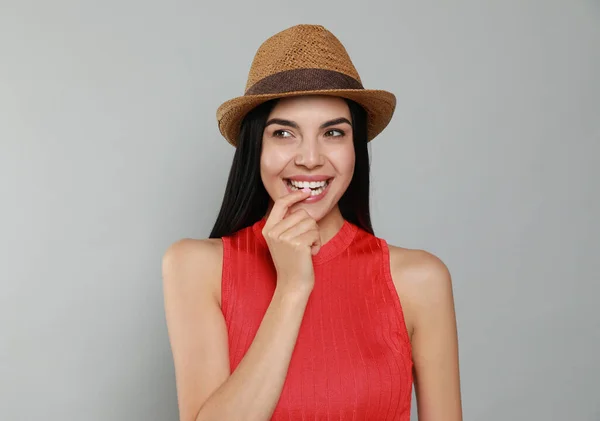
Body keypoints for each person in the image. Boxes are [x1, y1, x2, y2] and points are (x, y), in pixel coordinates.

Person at [162, 24, 462, 421]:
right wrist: (292, 287)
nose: (309, 158)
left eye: (333, 133)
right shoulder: (196, 267)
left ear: (355, 148)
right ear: (257, 147)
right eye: (284, 133)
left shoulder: (419, 279)